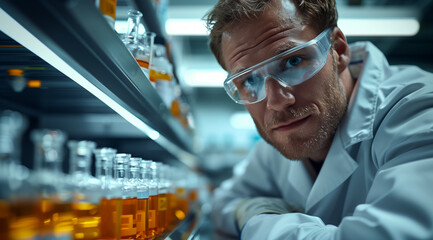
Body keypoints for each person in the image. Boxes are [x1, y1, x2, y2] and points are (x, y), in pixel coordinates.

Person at [204, 0, 433, 239]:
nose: (276, 102)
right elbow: (224, 203)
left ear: (338, 50)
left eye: (292, 61)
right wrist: (249, 210)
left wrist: (263, 222)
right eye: (249, 80)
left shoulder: (418, 112)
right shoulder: (275, 147)